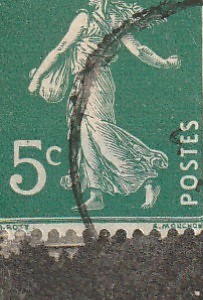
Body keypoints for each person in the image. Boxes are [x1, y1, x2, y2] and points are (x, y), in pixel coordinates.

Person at [29, 0, 183, 212]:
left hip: (97, 82)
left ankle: (147, 176)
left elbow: (62, 49)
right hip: (82, 82)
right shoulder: (99, 18)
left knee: (99, 134)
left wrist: (36, 79)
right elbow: (138, 50)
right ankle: (96, 194)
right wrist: (164, 63)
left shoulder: (98, 19)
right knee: (85, 136)